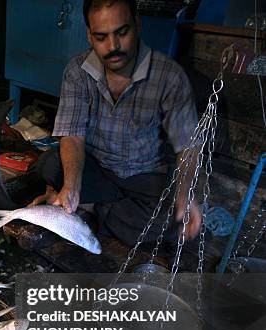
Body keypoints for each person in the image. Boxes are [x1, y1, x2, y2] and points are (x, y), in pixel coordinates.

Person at [31, 0, 202, 247]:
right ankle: (98, 207)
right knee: (48, 164)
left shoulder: (168, 76)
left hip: (143, 176)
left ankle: (92, 206)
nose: (113, 46)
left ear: (137, 24)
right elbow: (72, 135)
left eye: (122, 32)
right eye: (101, 37)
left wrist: (186, 193)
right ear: (89, 35)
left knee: (171, 225)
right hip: (98, 169)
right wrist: (71, 186)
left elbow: (188, 144)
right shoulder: (77, 72)